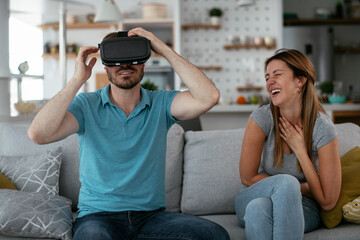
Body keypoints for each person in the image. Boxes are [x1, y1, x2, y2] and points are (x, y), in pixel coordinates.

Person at [27, 27, 229, 240]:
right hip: (98, 217)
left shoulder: (161, 104)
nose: (124, 65)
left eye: (132, 58)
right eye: (116, 60)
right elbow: (38, 135)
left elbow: (210, 97)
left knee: (213, 234)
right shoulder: (86, 106)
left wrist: (162, 48)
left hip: (151, 218)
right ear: (105, 66)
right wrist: (77, 80)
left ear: (143, 62)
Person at [234, 49, 342, 240]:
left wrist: (301, 151)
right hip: (254, 194)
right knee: (284, 185)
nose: (269, 82)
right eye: (267, 77)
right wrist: (298, 187)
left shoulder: (323, 128)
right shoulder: (262, 118)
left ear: (300, 81)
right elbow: (248, 178)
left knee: (258, 210)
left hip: (302, 206)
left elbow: (327, 202)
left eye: (277, 75)